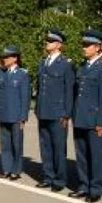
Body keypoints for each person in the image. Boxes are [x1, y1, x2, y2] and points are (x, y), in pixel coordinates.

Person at [68, 30, 102, 203]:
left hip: (96, 119)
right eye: (83, 44)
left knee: (97, 156)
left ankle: (96, 188)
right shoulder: (84, 66)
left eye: (87, 45)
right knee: (82, 154)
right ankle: (84, 185)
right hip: (81, 117)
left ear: (98, 47)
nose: (83, 48)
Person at [35, 30, 75, 192]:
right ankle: (48, 176)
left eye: (50, 41)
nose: (47, 43)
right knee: (45, 146)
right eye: (47, 41)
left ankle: (59, 179)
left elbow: (69, 90)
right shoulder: (43, 62)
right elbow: (40, 88)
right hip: (44, 110)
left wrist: (66, 113)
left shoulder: (66, 64)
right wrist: (37, 108)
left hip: (58, 112)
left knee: (58, 148)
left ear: (59, 44)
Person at [0, 45, 31, 181]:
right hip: (4, 114)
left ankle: (16, 170)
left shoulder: (22, 74)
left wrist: (23, 117)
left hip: (16, 116)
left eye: (6, 57)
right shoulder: (1, 72)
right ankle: (6, 169)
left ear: (15, 58)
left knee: (16, 144)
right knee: (5, 144)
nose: (4, 59)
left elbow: (25, 98)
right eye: (3, 57)